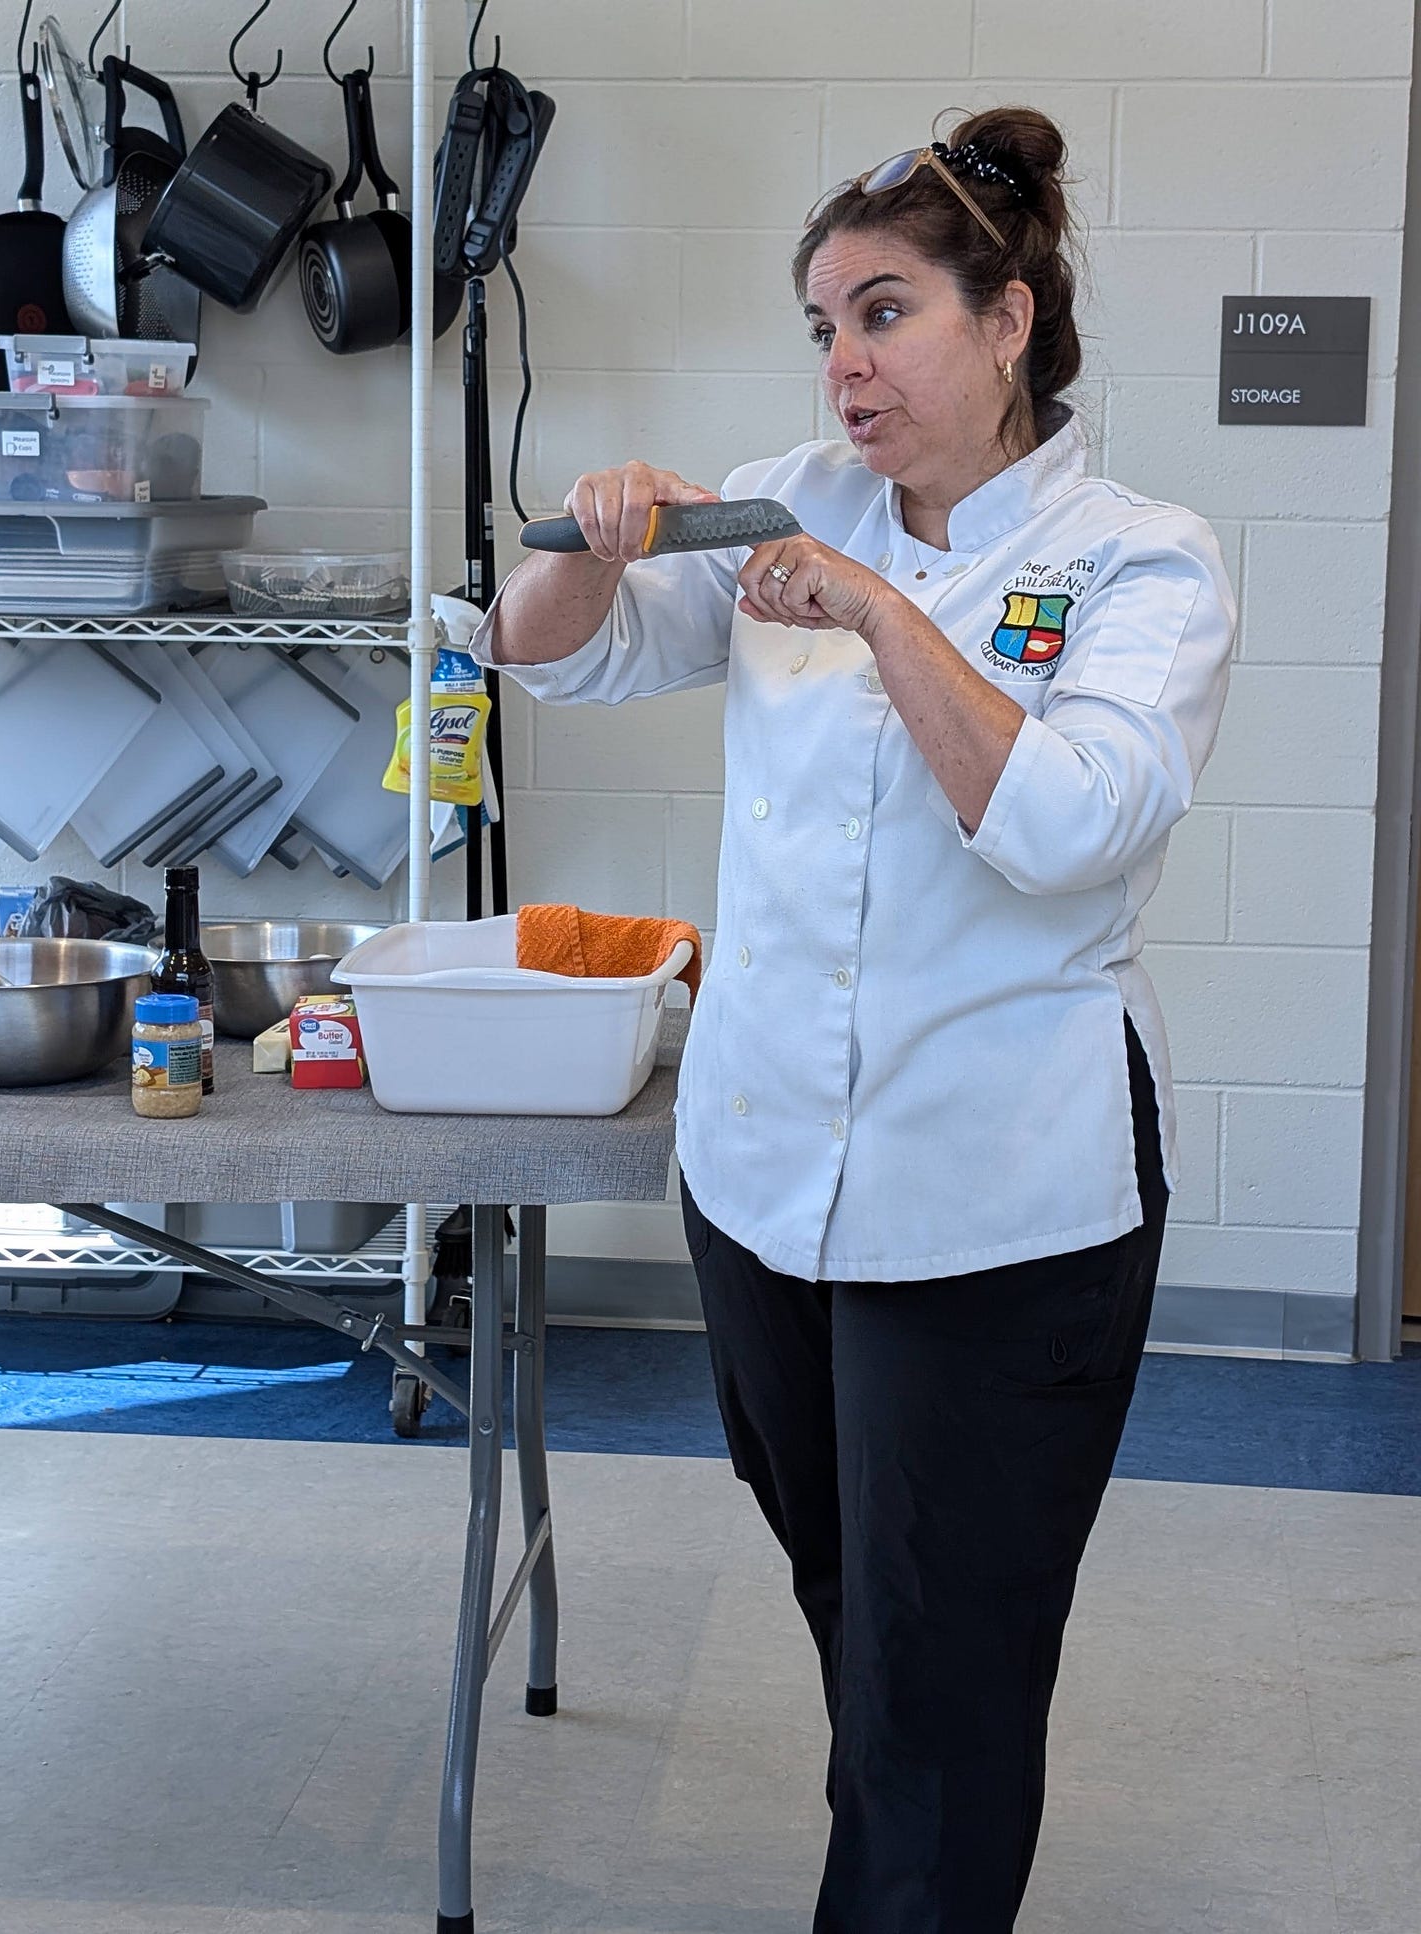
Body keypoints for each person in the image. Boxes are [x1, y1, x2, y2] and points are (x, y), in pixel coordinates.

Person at [468, 104, 1235, 1934]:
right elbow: (548, 644)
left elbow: (1061, 824)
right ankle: (903, 1811)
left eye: (884, 313)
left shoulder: (1145, 562)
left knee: (942, 1654)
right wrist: (599, 536)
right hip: (761, 1183)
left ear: (1013, 319)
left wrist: (882, 608)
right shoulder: (783, 495)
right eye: (824, 324)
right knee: (864, 1606)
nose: (844, 364)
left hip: (998, 1198)